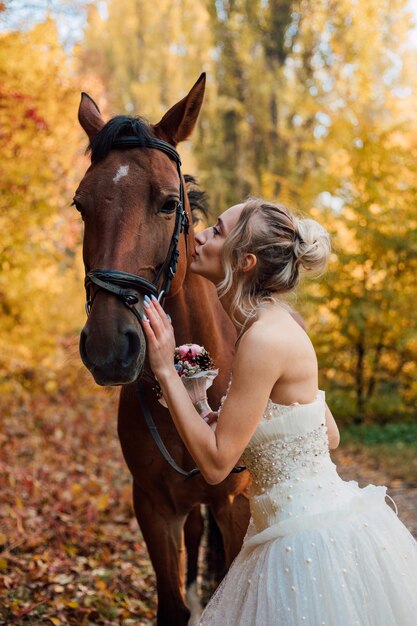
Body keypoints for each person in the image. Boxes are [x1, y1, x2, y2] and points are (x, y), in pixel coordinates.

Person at [140, 198, 417, 625]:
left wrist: (164, 368)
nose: (197, 236)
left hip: (305, 547)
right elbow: (328, 435)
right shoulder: (275, 322)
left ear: (245, 261)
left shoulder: (264, 338)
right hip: (293, 529)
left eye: (215, 231)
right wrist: (249, 426)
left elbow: (215, 467)